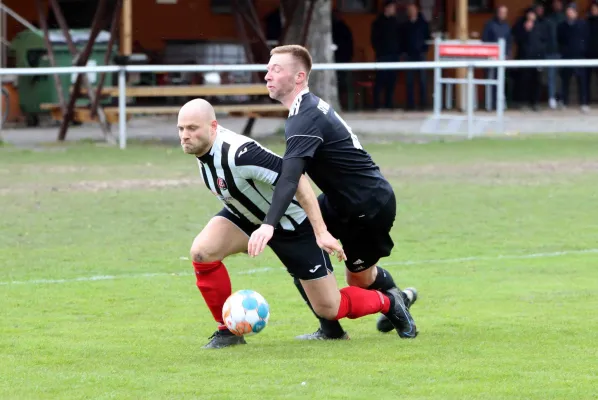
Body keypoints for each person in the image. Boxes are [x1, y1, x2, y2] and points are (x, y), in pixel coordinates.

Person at [178, 98, 416, 348]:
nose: (185, 135)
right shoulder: (203, 150)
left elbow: (297, 179)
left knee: (330, 307)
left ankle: (389, 301)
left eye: (192, 128)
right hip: (246, 217)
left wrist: (320, 231)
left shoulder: (240, 153)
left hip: (292, 225)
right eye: (181, 129)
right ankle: (228, 331)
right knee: (202, 252)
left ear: (213, 126)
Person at [248, 44, 418, 339]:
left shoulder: (306, 116)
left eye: (276, 69)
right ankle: (330, 329)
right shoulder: (305, 109)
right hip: (343, 203)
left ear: (299, 77)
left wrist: (268, 224)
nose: (267, 76)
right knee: (297, 242)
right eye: (267, 69)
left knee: (360, 281)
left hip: (368, 206)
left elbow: (290, 179)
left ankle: (397, 301)